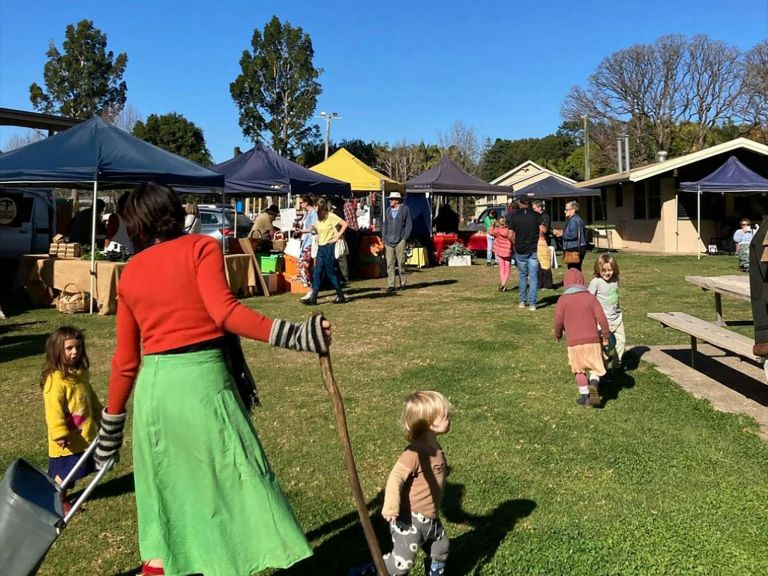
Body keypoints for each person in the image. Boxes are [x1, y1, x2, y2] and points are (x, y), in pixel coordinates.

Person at [93, 182, 332, 576]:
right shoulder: (200, 247)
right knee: (237, 482)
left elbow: (125, 361)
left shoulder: (131, 271)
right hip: (202, 386)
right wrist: (294, 335)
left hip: (157, 395)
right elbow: (225, 313)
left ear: (137, 224)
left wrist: (111, 425)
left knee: (170, 494)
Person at [350, 391, 452, 576]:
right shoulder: (414, 452)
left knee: (441, 547)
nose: (449, 417)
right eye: (445, 415)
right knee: (402, 564)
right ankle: (370, 571)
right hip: (410, 520)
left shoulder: (435, 447)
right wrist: (390, 506)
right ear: (429, 422)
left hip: (431, 518)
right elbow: (396, 477)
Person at [40, 326, 102, 514]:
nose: (75, 352)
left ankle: (61, 497)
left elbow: (89, 395)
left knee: (76, 468)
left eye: (78, 347)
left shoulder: (80, 373)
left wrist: (100, 413)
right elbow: (53, 410)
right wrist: (59, 432)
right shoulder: (55, 379)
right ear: (57, 350)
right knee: (64, 473)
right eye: (69, 348)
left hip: (82, 432)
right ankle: (58, 500)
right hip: (66, 437)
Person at [554, 269, 610, 407]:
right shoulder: (590, 297)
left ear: (566, 283)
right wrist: (606, 334)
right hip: (593, 341)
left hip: (574, 343)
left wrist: (558, 334)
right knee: (595, 367)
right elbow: (601, 317)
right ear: (582, 282)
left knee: (579, 369)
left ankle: (585, 396)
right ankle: (594, 383)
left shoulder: (563, 300)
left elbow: (558, 321)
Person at [301, 197, 348, 305]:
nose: (314, 208)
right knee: (317, 272)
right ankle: (314, 298)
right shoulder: (319, 218)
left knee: (330, 272)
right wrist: (305, 230)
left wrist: (337, 236)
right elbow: (317, 229)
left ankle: (340, 296)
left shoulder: (331, 216)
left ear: (319, 206)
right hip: (321, 247)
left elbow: (345, 224)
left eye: (315, 206)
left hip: (328, 247)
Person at [588, 253, 624, 372]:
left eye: (610, 270)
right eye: (603, 270)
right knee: (605, 344)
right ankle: (603, 359)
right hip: (603, 320)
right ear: (598, 269)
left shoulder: (616, 280)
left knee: (621, 341)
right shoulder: (596, 282)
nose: (607, 273)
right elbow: (589, 300)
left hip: (616, 317)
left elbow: (615, 296)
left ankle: (616, 366)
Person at [508, 197, 542, 311]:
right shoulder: (536, 215)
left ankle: (522, 301)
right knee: (533, 276)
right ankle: (532, 303)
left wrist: (515, 244)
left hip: (521, 249)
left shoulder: (514, 216)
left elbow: (510, 234)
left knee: (523, 275)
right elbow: (543, 229)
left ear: (520, 203)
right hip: (533, 248)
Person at [383, 192, 413, 293]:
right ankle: (391, 285)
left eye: (392, 199)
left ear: (397, 200)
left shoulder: (405, 209)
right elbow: (384, 224)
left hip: (400, 240)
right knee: (389, 263)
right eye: (390, 199)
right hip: (388, 241)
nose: (390, 201)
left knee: (401, 262)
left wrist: (404, 238)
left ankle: (403, 283)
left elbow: (409, 224)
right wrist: (384, 238)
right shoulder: (387, 210)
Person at [559, 200, 587, 270]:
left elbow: (573, 234)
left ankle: (575, 281)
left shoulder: (573, 220)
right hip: (578, 246)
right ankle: (577, 280)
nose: (564, 211)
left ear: (573, 210)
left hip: (574, 248)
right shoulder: (578, 219)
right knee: (577, 269)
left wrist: (562, 234)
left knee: (573, 269)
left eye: (566, 209)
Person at [296, 195, 317, 288]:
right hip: (304, 240)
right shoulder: (306, 213)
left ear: (306, 202)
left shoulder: (313, 213)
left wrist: (303, 231)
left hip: (310, 241)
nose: (300, 205)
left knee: (303, 262)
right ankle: (309, 283)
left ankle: (307, 282)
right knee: (306, 263)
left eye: (301, 202)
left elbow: (315, 228)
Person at [532, 200, 554, 289]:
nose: (533, 210)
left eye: (534, 208)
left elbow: (544, 229)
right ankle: (539, 283)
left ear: (539, 207)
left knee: (545, 263)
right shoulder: (536, 216)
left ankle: (548, 284)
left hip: (544, 241)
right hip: (537, 241)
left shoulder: (545, 216)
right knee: (538, 264)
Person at [490, 216, 513, 291]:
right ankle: (503, 284)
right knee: (507, 268)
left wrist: (492, 225)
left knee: (501, 268)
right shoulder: (508, 231)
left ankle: (503, 284)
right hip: (507, 250)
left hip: (499, 250)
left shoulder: (496, 231)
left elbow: (490, 232)